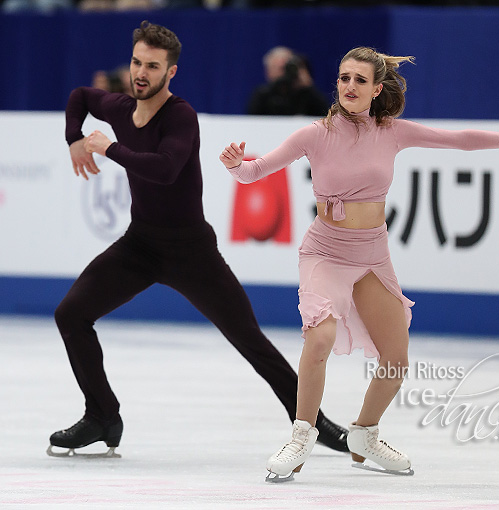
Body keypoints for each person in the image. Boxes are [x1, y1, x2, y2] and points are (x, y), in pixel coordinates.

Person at [220, 46, 499, 481]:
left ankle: (364, 434)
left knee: (396, 359)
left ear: (376, 89)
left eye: (359, 80)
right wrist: (238, 166)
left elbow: (460, 141)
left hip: (372, 254)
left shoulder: (391, 131)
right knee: (320, 339)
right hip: (325, 251)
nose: (349, 86)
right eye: (344, 77)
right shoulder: (314, 134)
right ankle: (301, 434)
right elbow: (256, 172)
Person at [48, 21, 349, 458]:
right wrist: (74, 137)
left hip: (191, 252)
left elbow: (165, 168)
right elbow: (80, 96)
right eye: (136, 62)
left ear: (171, 72)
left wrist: (106, 148)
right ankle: (102, 417)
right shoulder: (118, 106)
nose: (140, 73)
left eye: (152, 66)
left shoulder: (181, 116)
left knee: (250, 340)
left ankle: (313, 422)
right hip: (139, 246)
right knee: (71, 314)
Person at [247, 46, 330, 116]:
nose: (284, 73)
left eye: (287, 68)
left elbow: (325, 116)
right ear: (268, 72)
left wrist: (308, 87)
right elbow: (253, 122)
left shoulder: (306, 94)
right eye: (280, 68)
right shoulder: (263, 95)